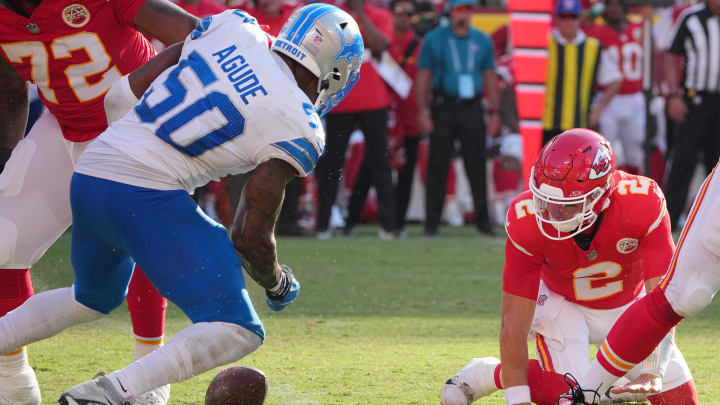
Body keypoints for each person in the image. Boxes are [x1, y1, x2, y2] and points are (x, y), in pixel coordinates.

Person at [0, 5, 362, 404]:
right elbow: (247, 236)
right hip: (143, 191)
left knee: (90, 299)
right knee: (238, 327)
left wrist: (129, 142)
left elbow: (120, 95)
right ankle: (109, 394)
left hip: (93, 169)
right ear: (335, 70)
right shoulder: (301, 125)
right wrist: (277, 283)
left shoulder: (235, 27)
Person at [0, 1, 198, 404]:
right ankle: (11, 379)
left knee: (147, 246)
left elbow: (197, 33)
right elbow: (9, 91)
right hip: (65, 126)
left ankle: (150, 376)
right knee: (5, 241)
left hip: (139, 129)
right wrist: (5, 160)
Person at [441, 129, 698, 405]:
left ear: (600, 195)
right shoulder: (526, 219)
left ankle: (607, 381)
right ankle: (487, 374)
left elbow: (663, 296)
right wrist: (517, 401)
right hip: (563, 303)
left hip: (630, 305)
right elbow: (514, 322)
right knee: (572, 396)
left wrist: (653, 368)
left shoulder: (642, 202)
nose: (552, 212)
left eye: (566, 205)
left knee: (681, 399)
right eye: (546, 199)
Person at [415, 0, 500, 237]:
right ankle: (431, 223)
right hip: (444, 106)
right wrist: (422, 110)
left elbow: (490, 76)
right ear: (450, 13)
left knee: (477, 164)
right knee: (438, 165)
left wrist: (495, 112)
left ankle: (483, 223)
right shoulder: (435, 39)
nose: (462, 16)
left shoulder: (482, 40)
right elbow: (423, 76)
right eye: (458, 10)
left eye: (466, 10)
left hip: (472, 107)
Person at [314, 0, 396, 240]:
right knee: (331, 162)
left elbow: (382, 44)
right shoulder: (330, 12)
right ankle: (323, 225)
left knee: (381, 163)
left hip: (374, 101)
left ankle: (389, 227)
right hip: (341, 99)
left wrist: (360, 13)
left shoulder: (378, 15)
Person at [660, 0, 720, 230]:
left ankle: (711, 226)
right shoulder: (691, 17)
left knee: (717, 166)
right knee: (683, 161)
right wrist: (674, 95)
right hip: (695, 101)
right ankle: (668, 222)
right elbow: (671, 55)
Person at [540, 0, 621, 145]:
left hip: (579, 126)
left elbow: (615, 80)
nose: (568, 21)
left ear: (580, 19)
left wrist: (597, 111)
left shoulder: (593, 47)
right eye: (564, 16)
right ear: (557, 18)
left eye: (572, 16)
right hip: (545, 125)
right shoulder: (544, 43)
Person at [586, 0, 646, 175]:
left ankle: (634, 187)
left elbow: (656, 51)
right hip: (607, 99)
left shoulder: (639, 28)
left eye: (618, 4)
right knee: (605, 150)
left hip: (635, 97)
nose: (614, 9)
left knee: (635, 149)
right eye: (610, 4)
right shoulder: (597, 32)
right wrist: (591, 14)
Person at [388, 0, 422, 237]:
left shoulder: (418, 44)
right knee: (373, 169)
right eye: (399, 12)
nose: (404, 17)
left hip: (409, 119)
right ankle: (353, 218)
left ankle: (398, 222)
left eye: (409, 14)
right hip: (384, 116)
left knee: (406, 172)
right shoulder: (383, 41)